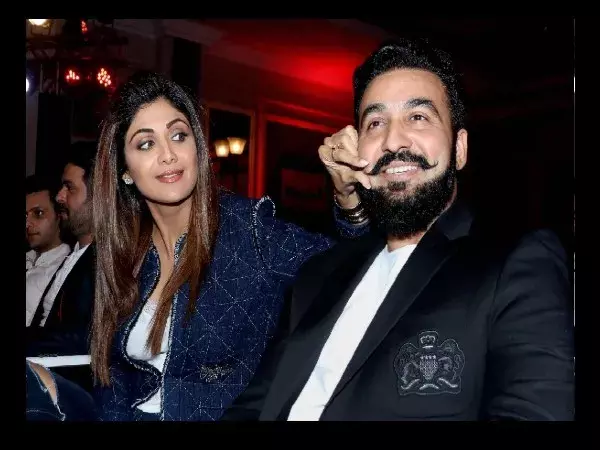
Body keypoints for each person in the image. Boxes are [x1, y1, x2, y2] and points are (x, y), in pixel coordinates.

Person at [222, 38, 575, 421]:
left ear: (459, 149)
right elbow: (253, 407)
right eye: (375, 123)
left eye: (418, 117)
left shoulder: (516, 263)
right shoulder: (318, 277)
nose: (392, 140)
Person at [26, 71, 368, 421]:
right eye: (146, 144)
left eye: (178, 135)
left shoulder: (249, 231)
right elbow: (108, 373)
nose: (168, 154)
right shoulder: (124, 251)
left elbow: (357, 272)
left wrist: (349, 200)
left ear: (197, 149)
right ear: (124, 169)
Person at [27, 142, 97, 358]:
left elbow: (81, 339)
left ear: (99, 196)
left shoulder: (105, 262)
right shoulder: (75, 256)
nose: (59, 196)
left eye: (69, 188)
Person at [26, 174, 71, 327]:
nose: (27, 224)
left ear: (59, 216)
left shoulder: (65, 270)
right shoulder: (28, 258)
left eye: (38, 213)